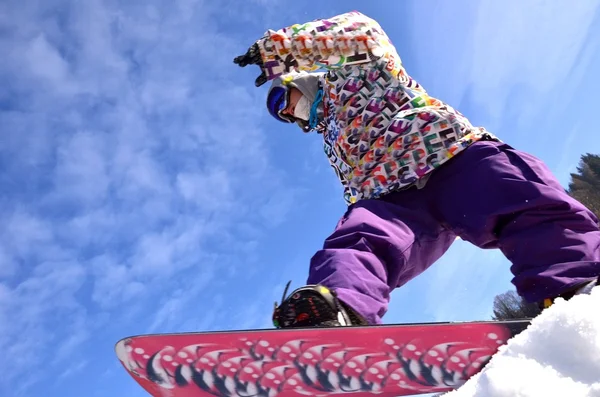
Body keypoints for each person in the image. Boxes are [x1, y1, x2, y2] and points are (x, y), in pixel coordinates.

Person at [233, 10, 600, 328]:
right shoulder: (332, 136)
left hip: (452, 155)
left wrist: (280, 49)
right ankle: (337, 312)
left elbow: (360, 31)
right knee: (360, 241)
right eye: (282, 114)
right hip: (394, 198)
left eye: (283, 98)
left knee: (521, 204)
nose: (287, 111)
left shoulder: (359, 70)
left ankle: (578, 282)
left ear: (302, 79)